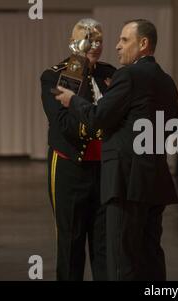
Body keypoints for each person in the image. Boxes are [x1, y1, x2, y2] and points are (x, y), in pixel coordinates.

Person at [55, 19, 178, 281]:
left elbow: (98, 116)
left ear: (143, 44)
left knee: (120, 260)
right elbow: (175, 126)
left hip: (125, 182)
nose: (116, 46)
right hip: (155, 180)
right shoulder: (166, 81)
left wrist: (72, 100)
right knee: (150, 257)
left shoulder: (128, 75)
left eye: (124, 40)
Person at [40, 18, 116, 281]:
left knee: (104, 243)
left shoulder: (110, 73)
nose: (94, 45)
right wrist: (79, 66)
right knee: (71, 243)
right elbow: (62, 123)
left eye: (99, 40)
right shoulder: (56, 74)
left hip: (105, 168)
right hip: (69, 166)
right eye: (88, 39)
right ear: (73, 43)